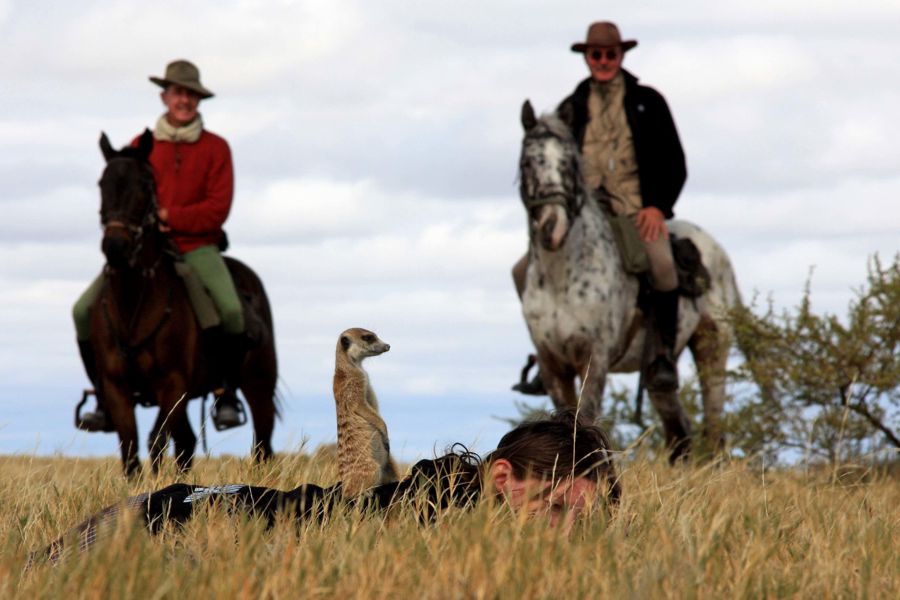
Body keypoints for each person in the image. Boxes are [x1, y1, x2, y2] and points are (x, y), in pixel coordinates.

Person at [33, 411, 621, 563]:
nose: (567, 532)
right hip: (172, 519)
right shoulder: (441, 519)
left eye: (584, 522)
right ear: (502, 478)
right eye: (557, 508)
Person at [512, 21, 687, 395]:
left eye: (611, 54)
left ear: (621, 55)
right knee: (521, 271)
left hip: (634, 210)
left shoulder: (648, 102)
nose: (604, 60)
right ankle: (547, 358)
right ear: (587, 57)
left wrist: (658, 207)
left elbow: (674, 162)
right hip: (584, 214)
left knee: (663, 266)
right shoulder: (569, 107)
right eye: (597, 54)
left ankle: (661, 359)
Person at [73, 59, 247, 432]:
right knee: (83, 311)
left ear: (198, 100)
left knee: (231, 311)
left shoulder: (217, 148)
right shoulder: (140, 146)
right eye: (177, 92)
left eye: (191, 94)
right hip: (143, 251)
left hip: (197, 245)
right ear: (164, 96)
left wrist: (173, 217)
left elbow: (218, 208)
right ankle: (105, 397)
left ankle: (225, 394)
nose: (183, 100)